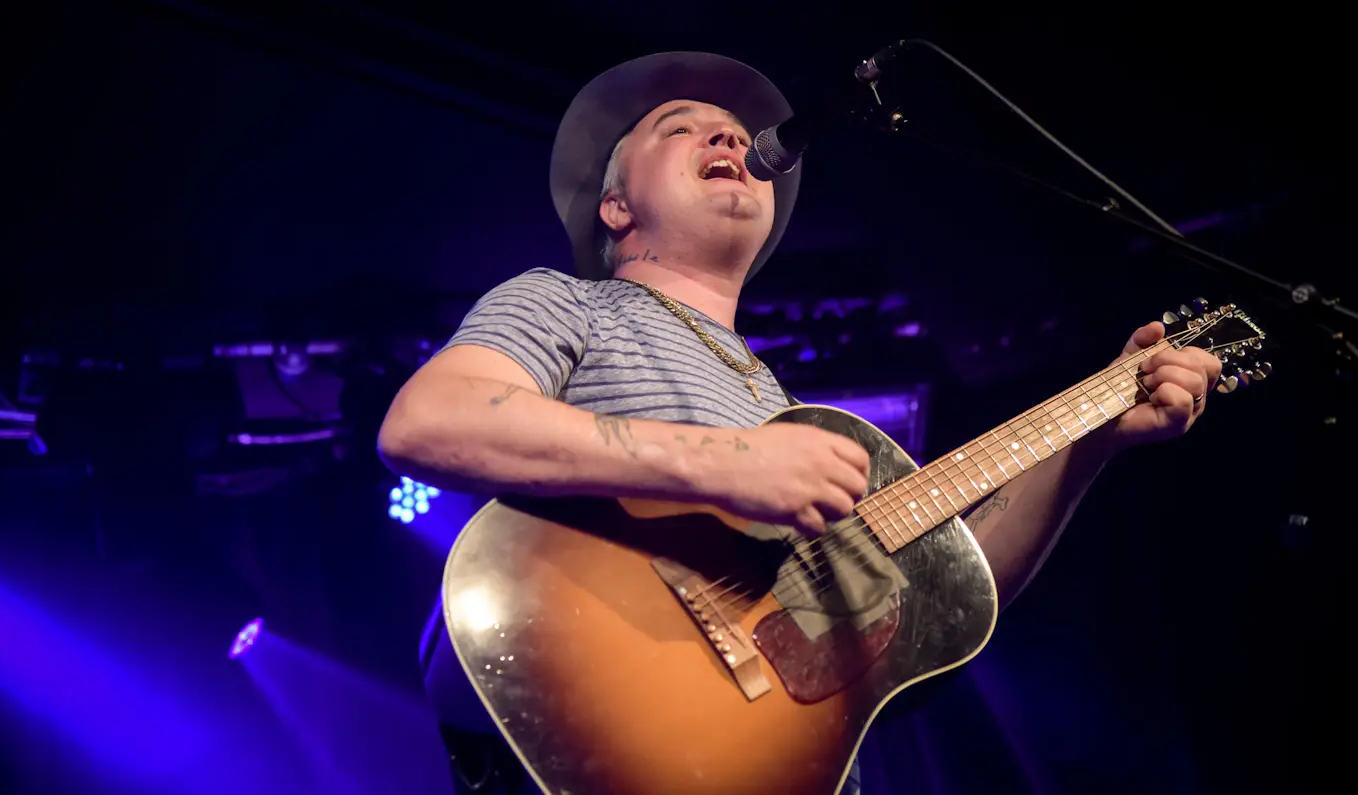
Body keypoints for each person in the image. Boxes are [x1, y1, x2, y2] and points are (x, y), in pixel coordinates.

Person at [377, 51, 1223, 795]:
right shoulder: (566, 303)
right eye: (682, 129)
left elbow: (951, 597)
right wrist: (723, 463)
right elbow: (429, 421)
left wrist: (1096, 433)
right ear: (615, 207)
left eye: (736, 132)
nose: (728, 139)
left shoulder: (780, 402)